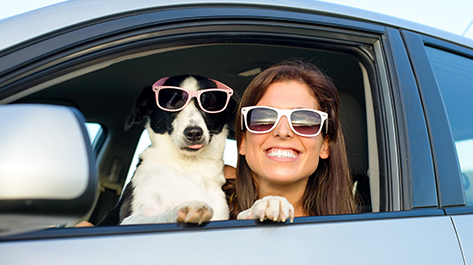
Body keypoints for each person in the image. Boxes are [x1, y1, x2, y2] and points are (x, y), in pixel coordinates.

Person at [227, 59, 359, 222]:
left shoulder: (357, 235)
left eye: (304, 121)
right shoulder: (208, 211)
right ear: (242, 142)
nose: (283, 132)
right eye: (264, 117)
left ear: (324, 146)